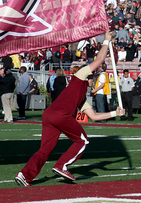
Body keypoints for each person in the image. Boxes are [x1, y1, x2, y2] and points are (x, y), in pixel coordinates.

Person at [15, 32, 125, 187]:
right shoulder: (80, 75)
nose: (96, 78)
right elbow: (99, 59)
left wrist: (115, 113)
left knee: (45, 150)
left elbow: (93, 116)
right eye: (95, 75)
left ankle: (24, 175)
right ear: (90, 77)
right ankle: (61, 166)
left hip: (49, 115)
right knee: (83, 140)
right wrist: (106, 40)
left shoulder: (82, 96)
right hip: (60, 115)